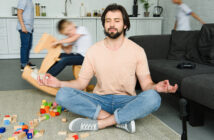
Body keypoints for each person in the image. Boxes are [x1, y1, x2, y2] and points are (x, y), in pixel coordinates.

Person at [38, 4, 178, 133]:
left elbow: (146, 84)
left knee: (153, 98)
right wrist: (59, 83)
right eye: (108, 21)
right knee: (62, 94)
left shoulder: (138, 51)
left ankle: (100, 123)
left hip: (126, 101)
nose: (112, 24)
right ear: (104, 25)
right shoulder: (93, 51)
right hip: (100, 100)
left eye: (117, 20)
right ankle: (119, 120)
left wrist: (156, 87)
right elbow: (81, 83)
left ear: (125, 25)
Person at [17, 0, 36, 71]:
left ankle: (26, 62)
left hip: (29, 28)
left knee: (29, 46)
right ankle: (23, 64)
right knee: (25, 46)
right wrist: (23, 26)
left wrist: (31, 27)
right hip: (24, 27)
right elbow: (19, 13)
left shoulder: (29, 1)